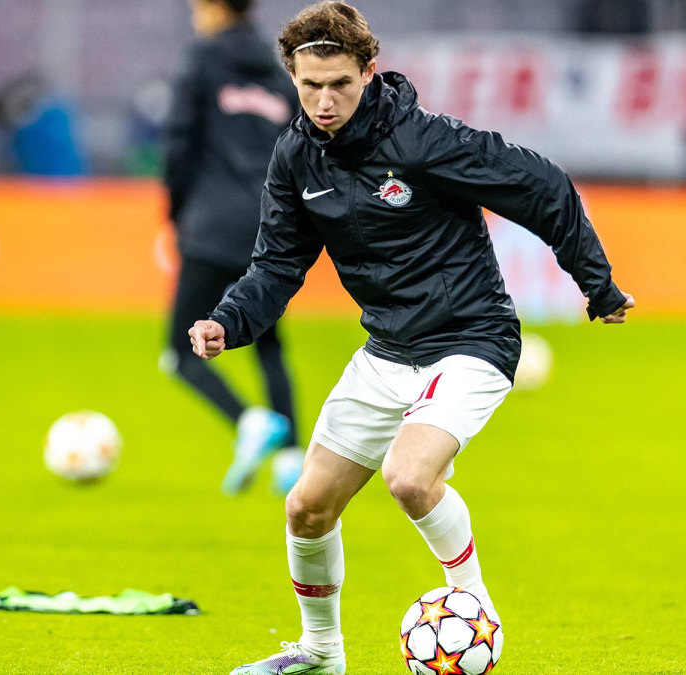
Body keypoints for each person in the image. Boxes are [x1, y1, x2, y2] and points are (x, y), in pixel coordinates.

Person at [187, 2, 635, 673]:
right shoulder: (295, 158)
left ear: (369, 71)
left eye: (339, 83)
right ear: (293, 79)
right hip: (387, 351)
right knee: (306, 507)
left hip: (470, 338)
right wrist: (229, 319)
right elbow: (277, 264)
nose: (324, 100)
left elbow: (541, 185)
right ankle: (319, 652)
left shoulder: (422, 141)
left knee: (408, 476)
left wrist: (596, 285)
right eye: (310, 86)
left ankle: (476, 607)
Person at [163, 0, 303, 496]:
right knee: (268, 343)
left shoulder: (200, 61)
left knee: (180, 352)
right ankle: (292, 461)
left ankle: (249, 421)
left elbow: (178, 143)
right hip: (268, 225)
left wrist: (177, 213)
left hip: (210, 222)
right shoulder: (277, 71)